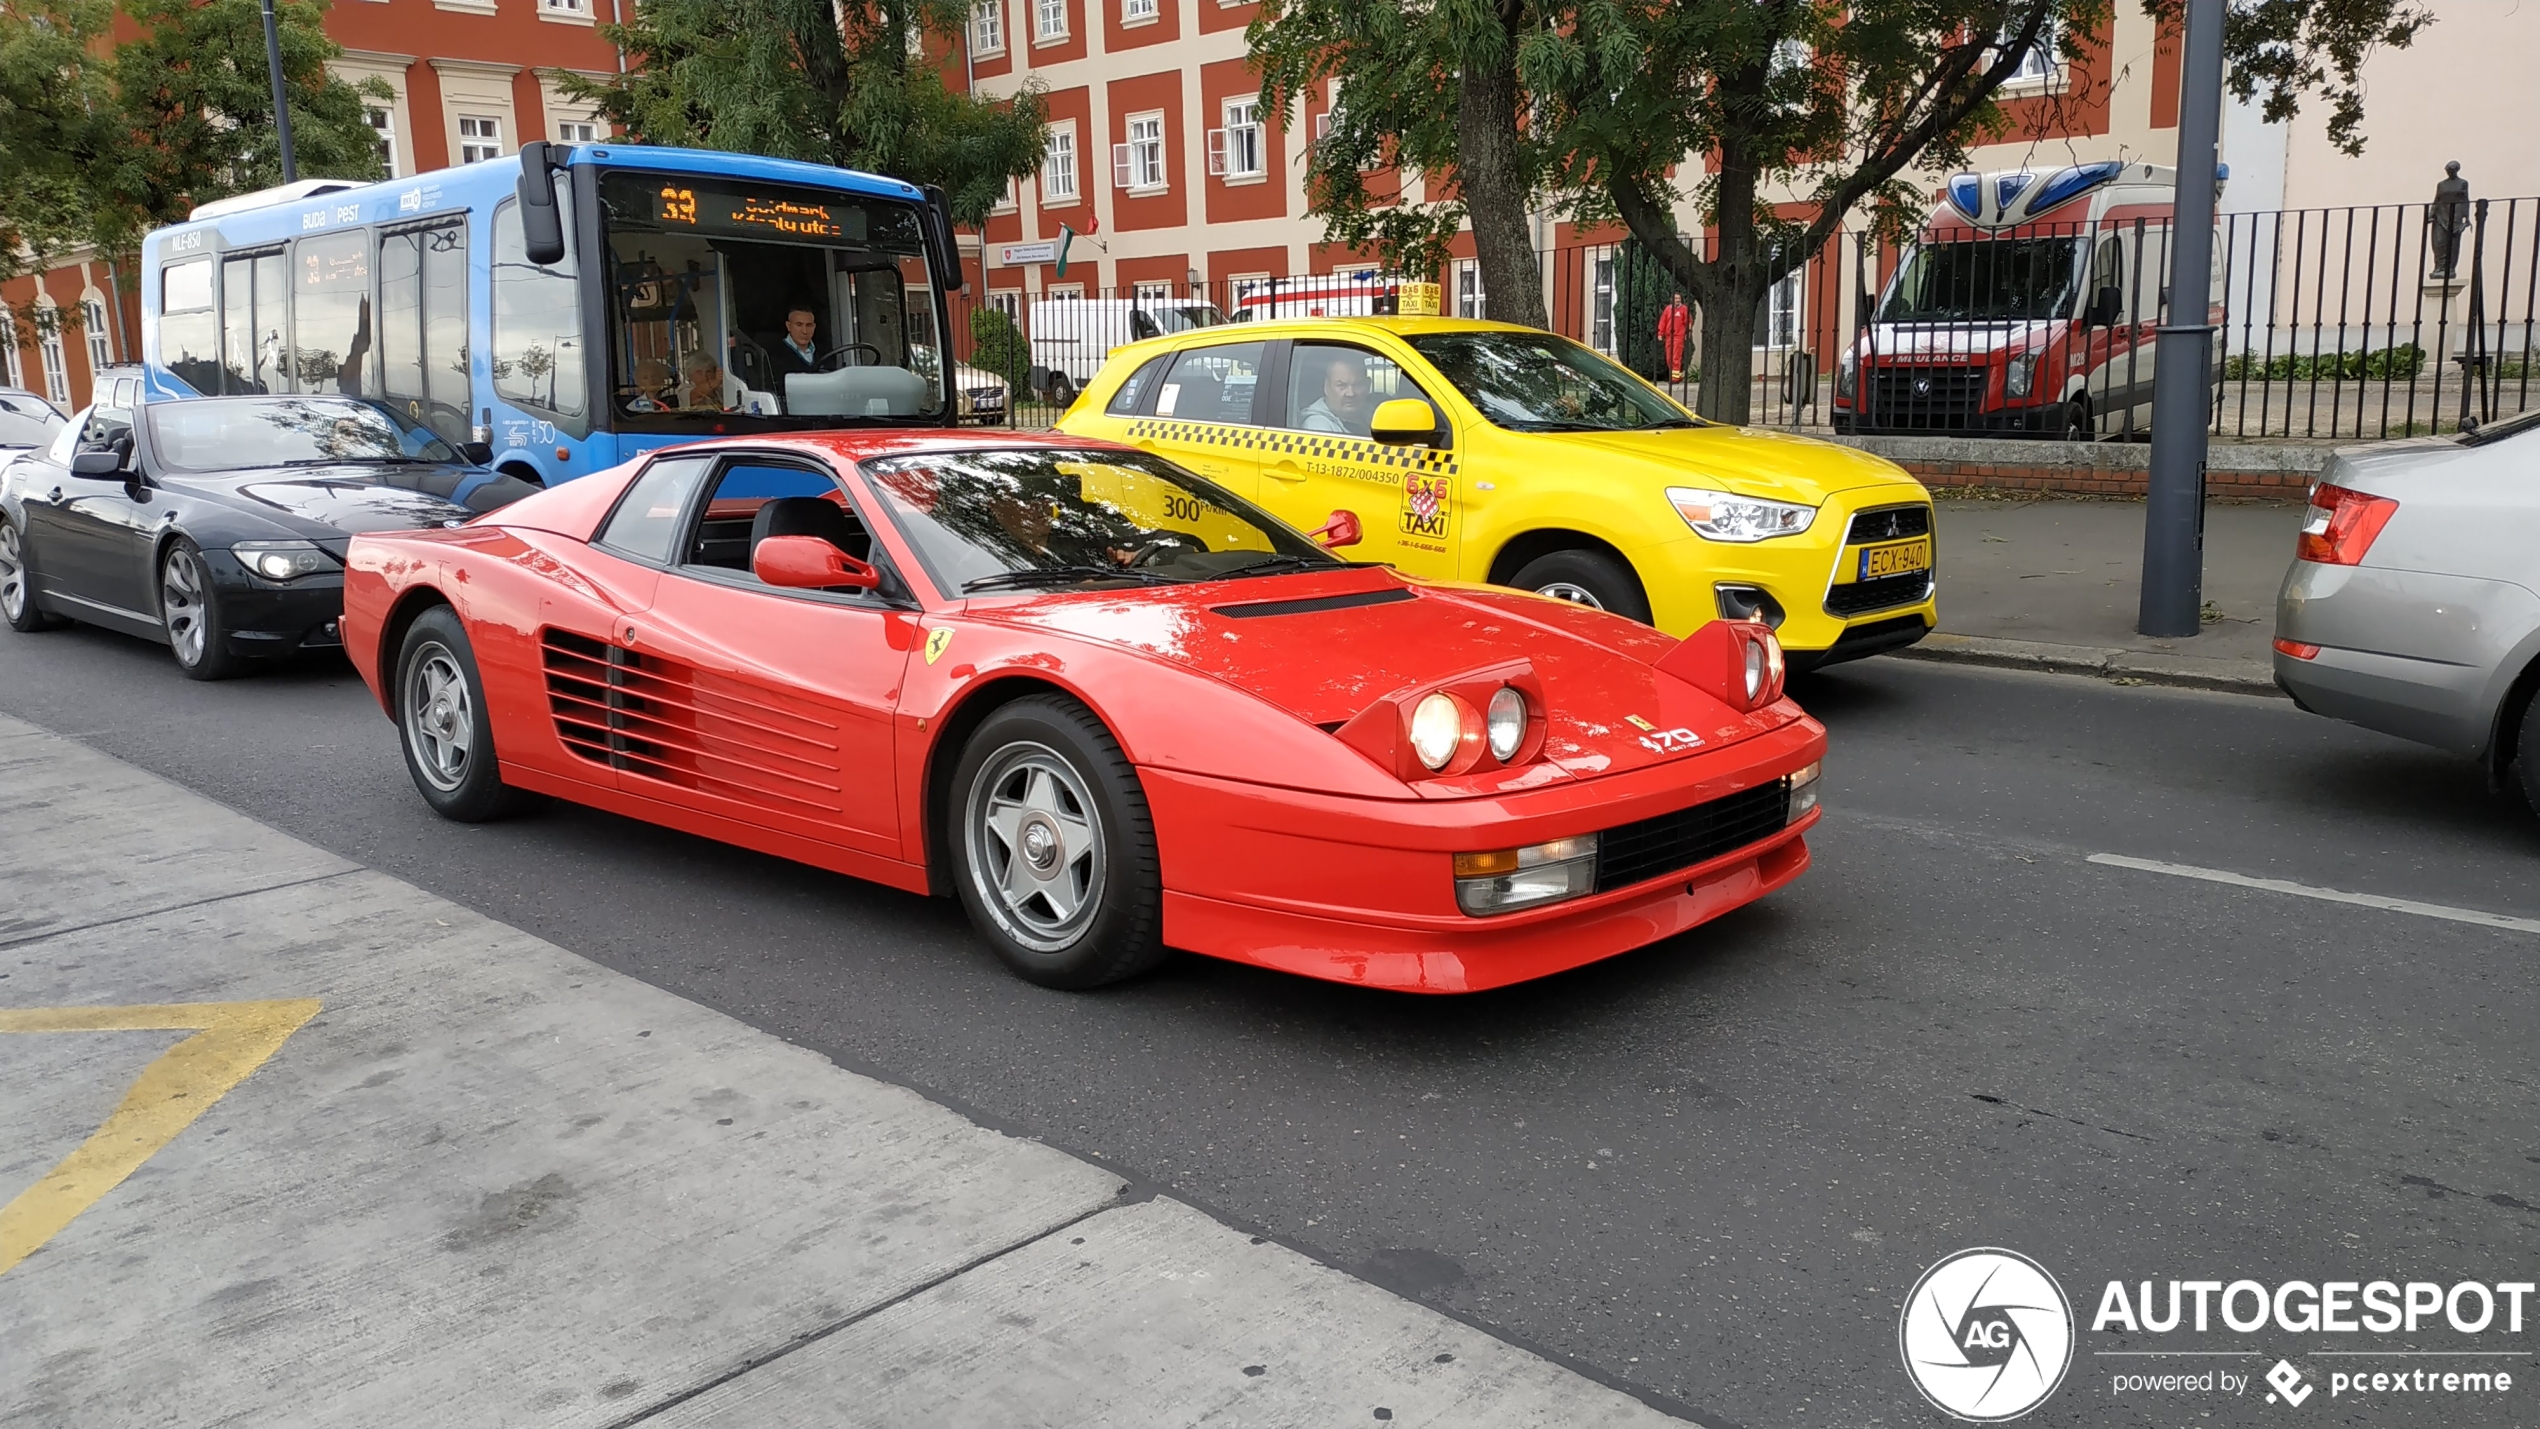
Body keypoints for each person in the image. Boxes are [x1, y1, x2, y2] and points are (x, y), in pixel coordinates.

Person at [1298, 350, 1373, 434]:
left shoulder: (1369, 414)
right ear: (1326, 387)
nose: (1350, 393)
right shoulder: (1318, 426)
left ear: (1368, 385)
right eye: (1341, 385)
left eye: (1357, 385)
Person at [769, 306, 824, 380]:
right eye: (799, 325)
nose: (804, 331)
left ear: (814, 327)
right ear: (788, 326)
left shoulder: (824, 352)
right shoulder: (774, 355)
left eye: (809, 325)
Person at [1657, 292, 1691, 383]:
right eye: (1676, 298)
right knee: (1669, 357)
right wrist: (1660, 333)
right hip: (1669, 337)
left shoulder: (1684, 309)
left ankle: (1675, 379)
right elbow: (1663, 321)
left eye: (1679, 298)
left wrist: (1688, 332)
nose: (1677, 300)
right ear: (1672, 299)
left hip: (1678, 336)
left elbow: (1688, 322)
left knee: (1676, 356)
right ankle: (1676, 375)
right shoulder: (1668, 309)